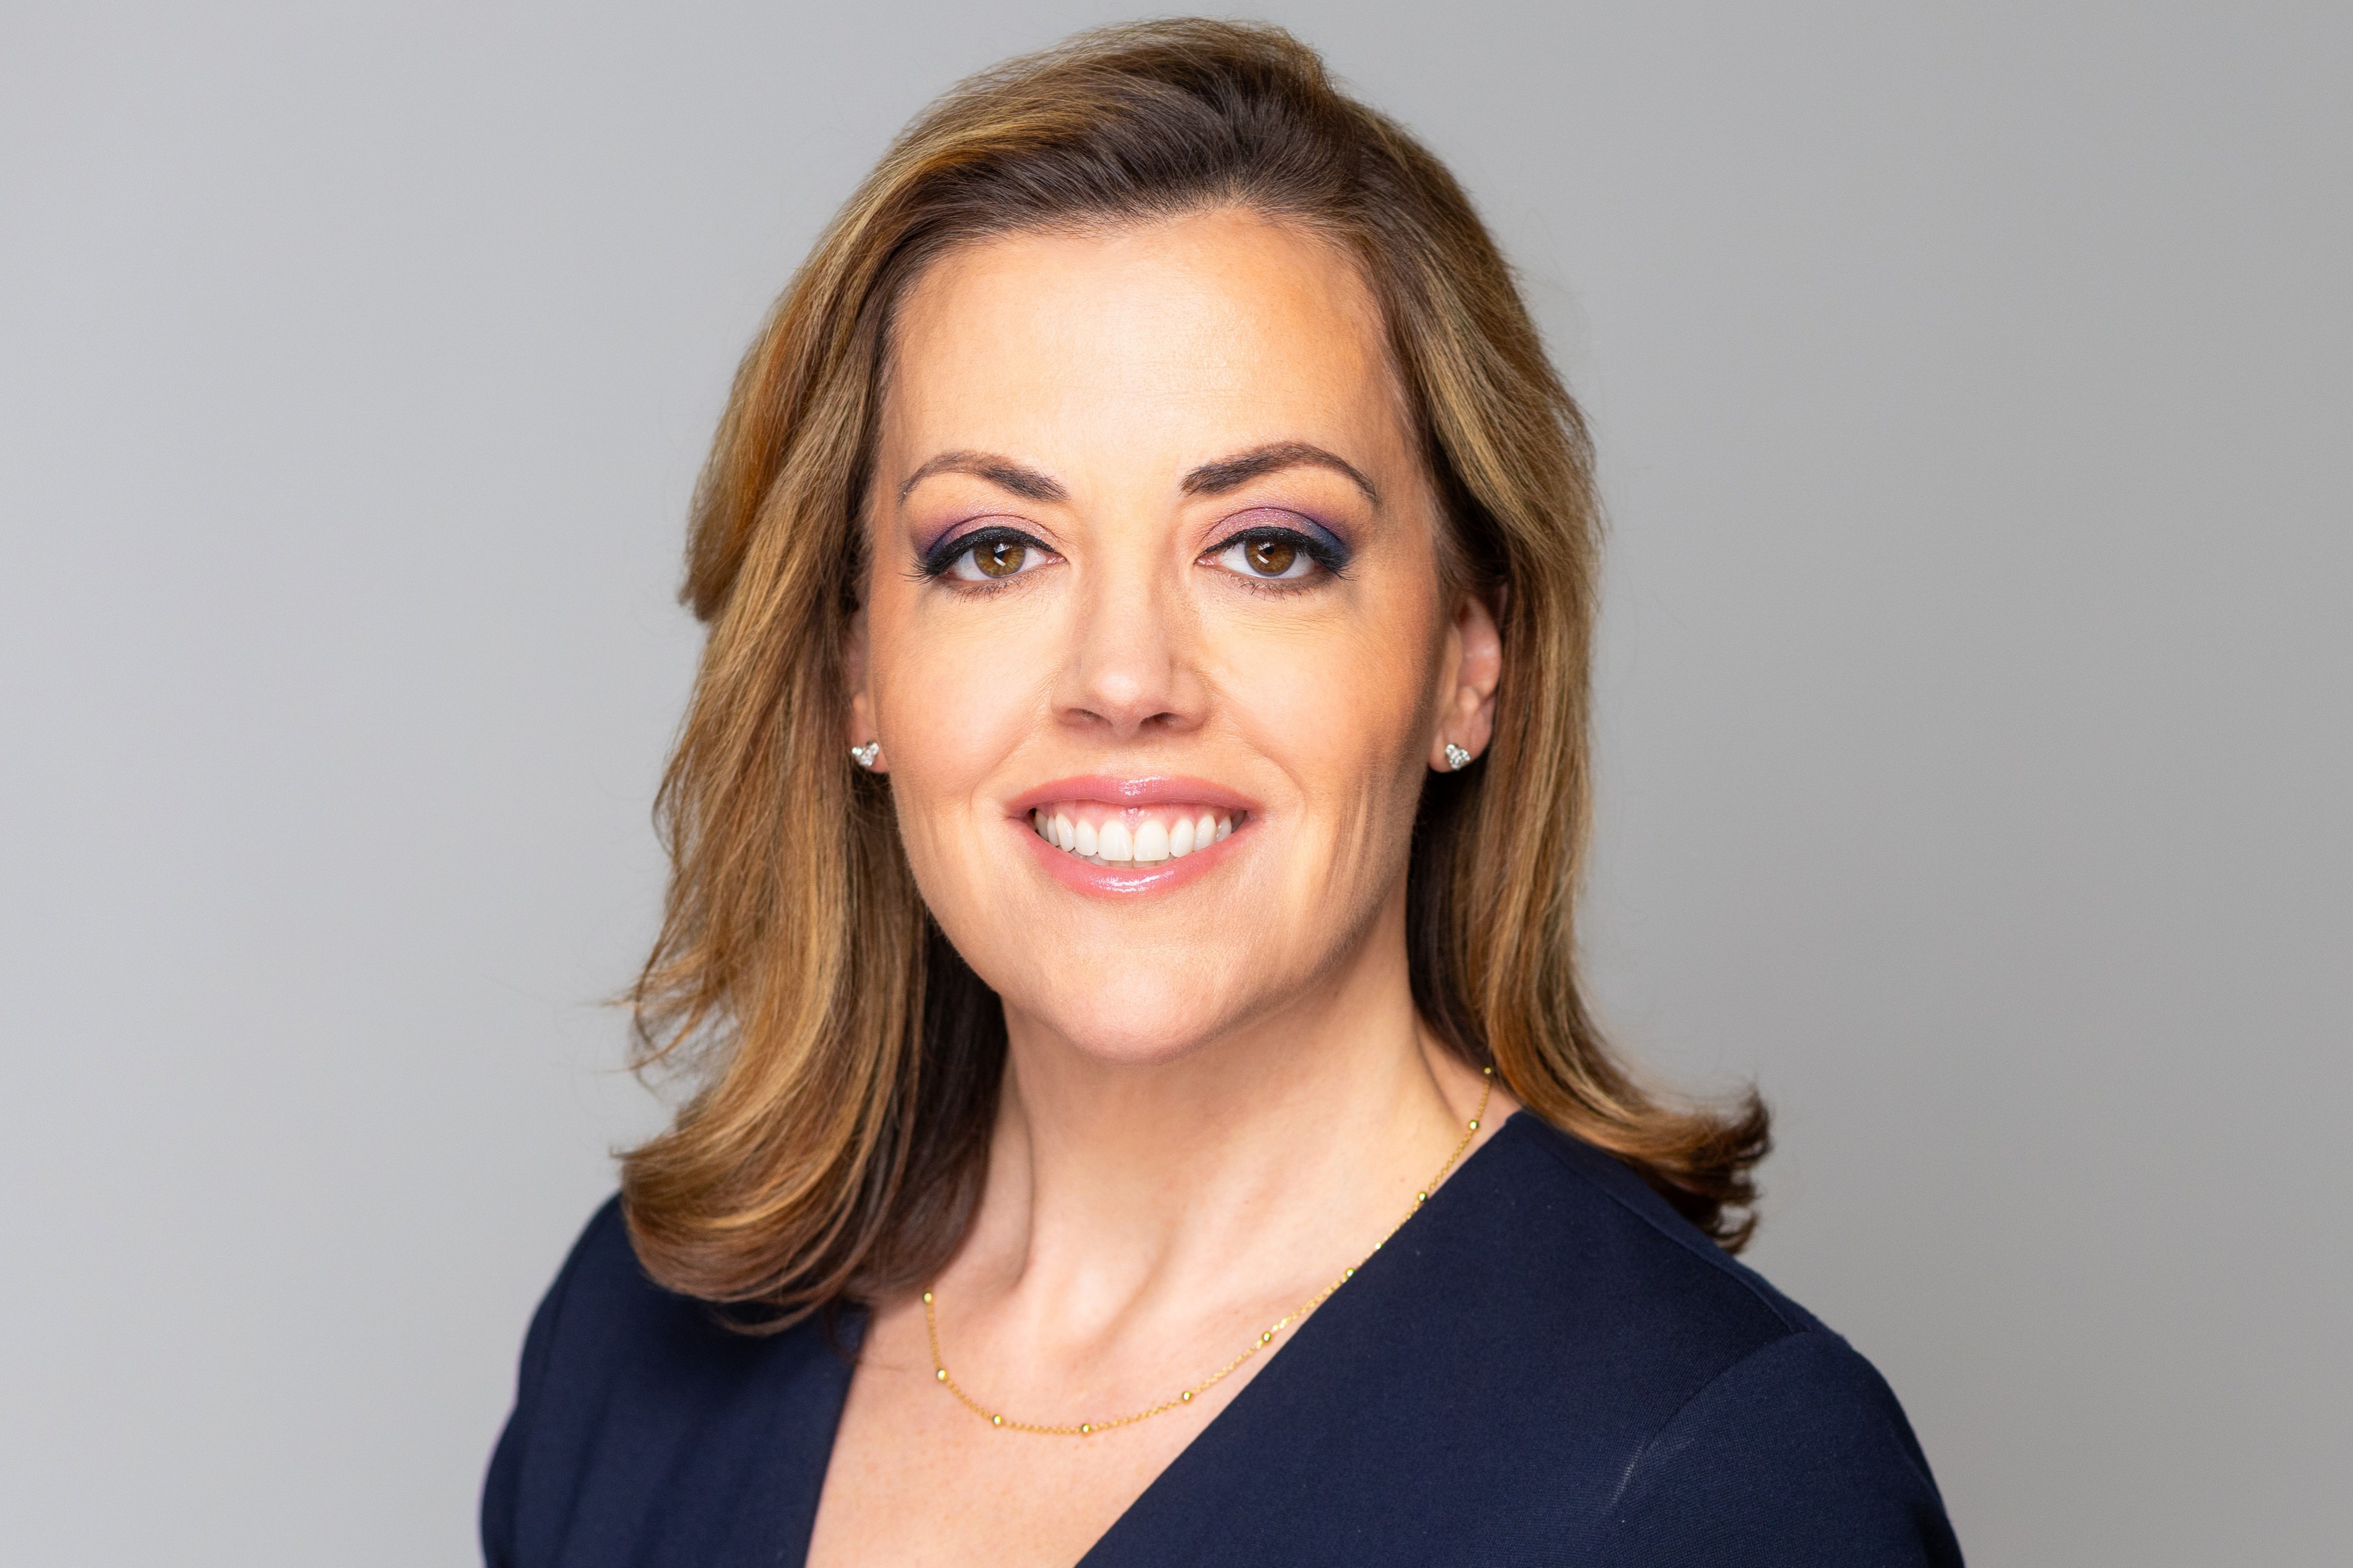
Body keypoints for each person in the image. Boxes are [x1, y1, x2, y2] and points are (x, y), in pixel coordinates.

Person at [482, 19, 1962, 1566]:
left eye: (1267, 547)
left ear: (1469, 658)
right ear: (859, 669)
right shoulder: (635, 1347)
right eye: (997, 550)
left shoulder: (1722, 1472)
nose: (1126, 677)